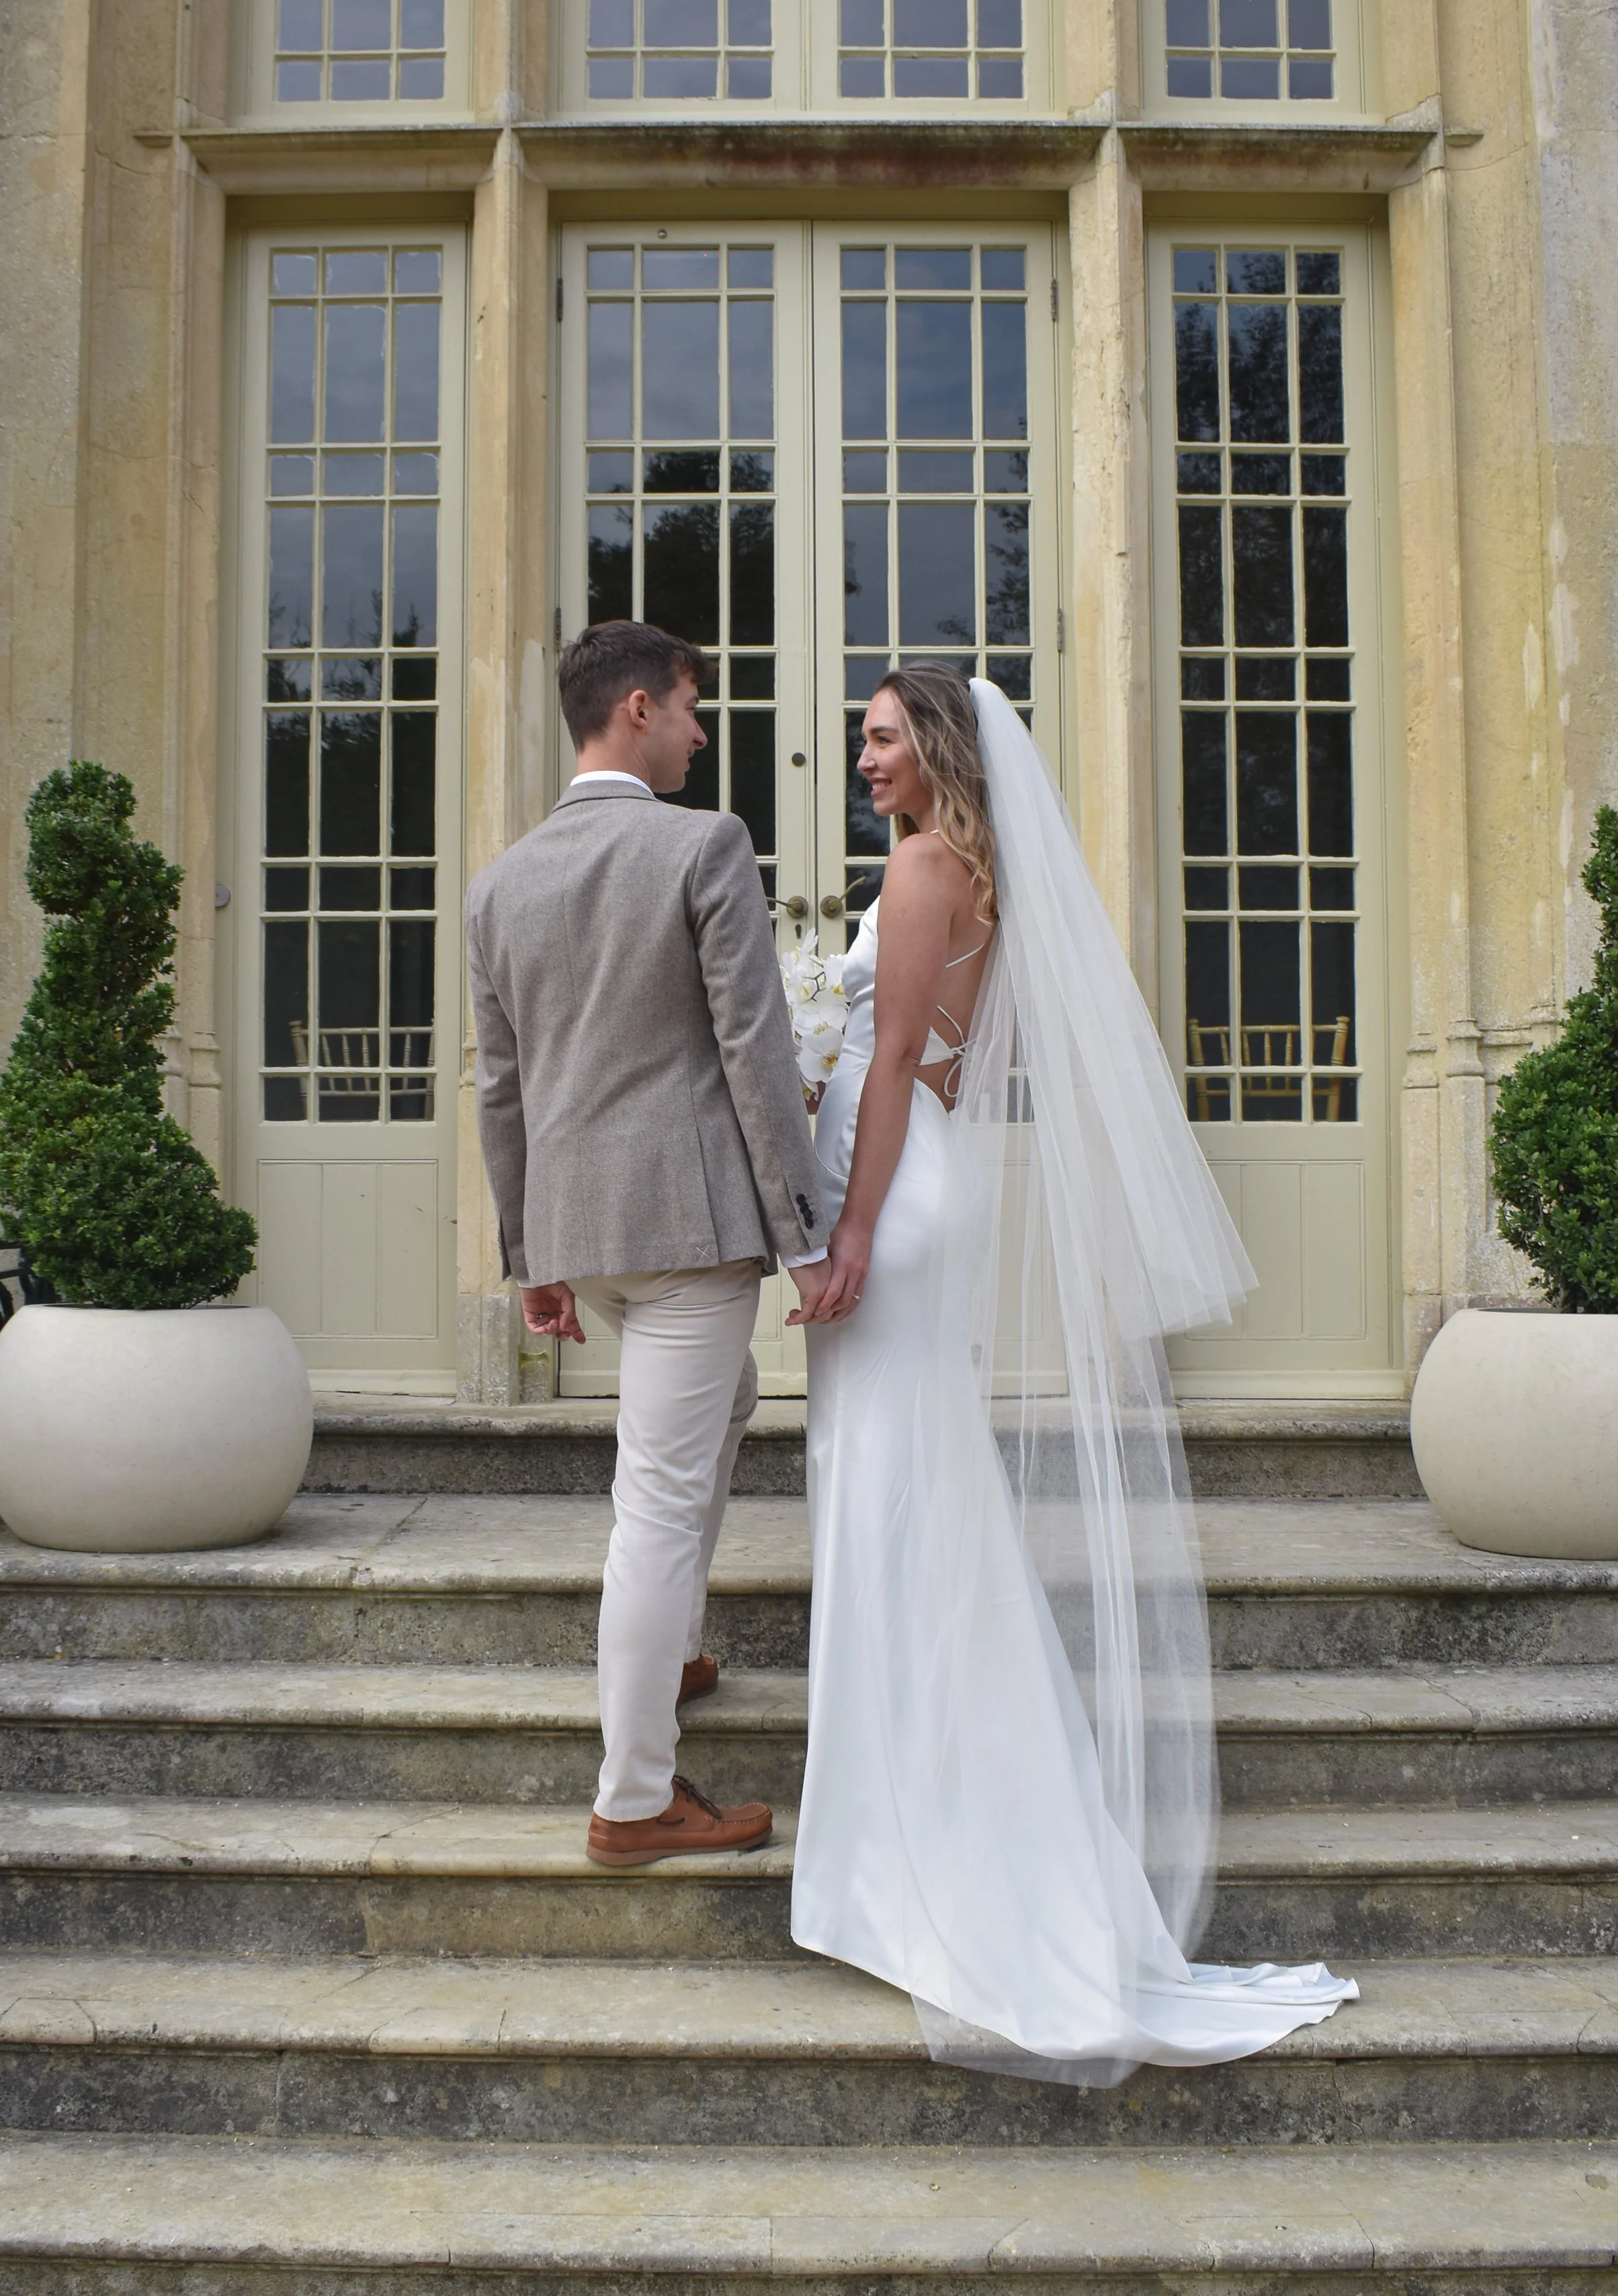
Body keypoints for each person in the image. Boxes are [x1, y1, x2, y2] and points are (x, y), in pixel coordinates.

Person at [793, 664, 1358, 2084]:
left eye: (873, 738)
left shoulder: (925, 870)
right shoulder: (964, 873)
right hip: (925, 1181)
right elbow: (918, 1064)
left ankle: (922, 1852)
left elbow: (891, 1070)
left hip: (899, 1195)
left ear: (927, 744)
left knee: (894, 1506)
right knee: (911, 1502)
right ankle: (904, 1828)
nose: (858, 761)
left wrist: (847, 1227)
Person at [466, 620, 834, 1871]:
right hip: (687, 1230)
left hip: (585, 1229)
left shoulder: (499, 882)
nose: (700, 728)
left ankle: (670, 1650)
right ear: (634, 708)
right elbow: (754, 1046)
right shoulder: (702, 842)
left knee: (715, 1406)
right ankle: (634, 1798)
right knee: (659, 1503)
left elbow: (500, 1088)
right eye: (689, 706)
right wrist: (806, 1233)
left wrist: (531, 1258)